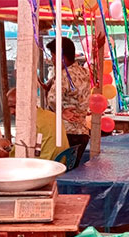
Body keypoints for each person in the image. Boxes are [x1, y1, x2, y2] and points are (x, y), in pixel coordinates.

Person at [42, 37, 90, 168]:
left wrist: (60, 112)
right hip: (82, 131)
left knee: (61, 173)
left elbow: (52, 98)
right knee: (74, 174)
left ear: (61, 56)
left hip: (65, 133)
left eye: (53, 56)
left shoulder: (64, 75)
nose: (52, 60)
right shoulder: (83, 71)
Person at [7, 88, 69, 161]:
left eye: (14, 107)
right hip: (61, 162)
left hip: (47, 166)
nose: (11, 112)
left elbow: (16, 156)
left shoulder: (29, 124)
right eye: (9, 107)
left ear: (27, 103)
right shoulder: (51, 115)